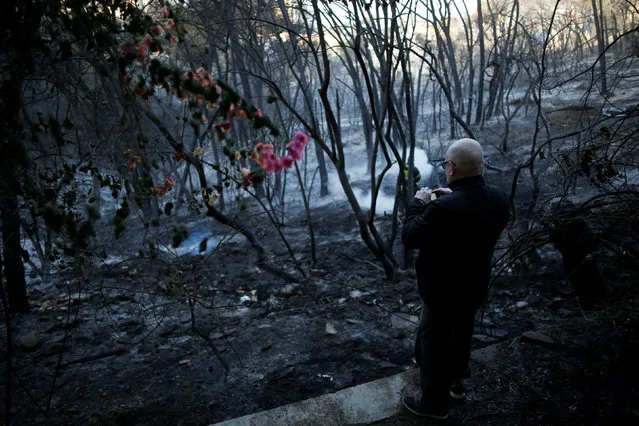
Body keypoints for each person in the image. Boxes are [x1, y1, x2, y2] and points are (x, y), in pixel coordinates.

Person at [401, 138, 510, 419]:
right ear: (482, 165)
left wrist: (418, 203)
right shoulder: (497, 198)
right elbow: (472, 211)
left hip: (442, 291)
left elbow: (410, 236)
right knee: (462, 333)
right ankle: (457, 385)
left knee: (434, 343)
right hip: (474, 286)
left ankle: (434, 406)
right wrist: (453, 195)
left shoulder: (442, 209)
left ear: (450, 168)